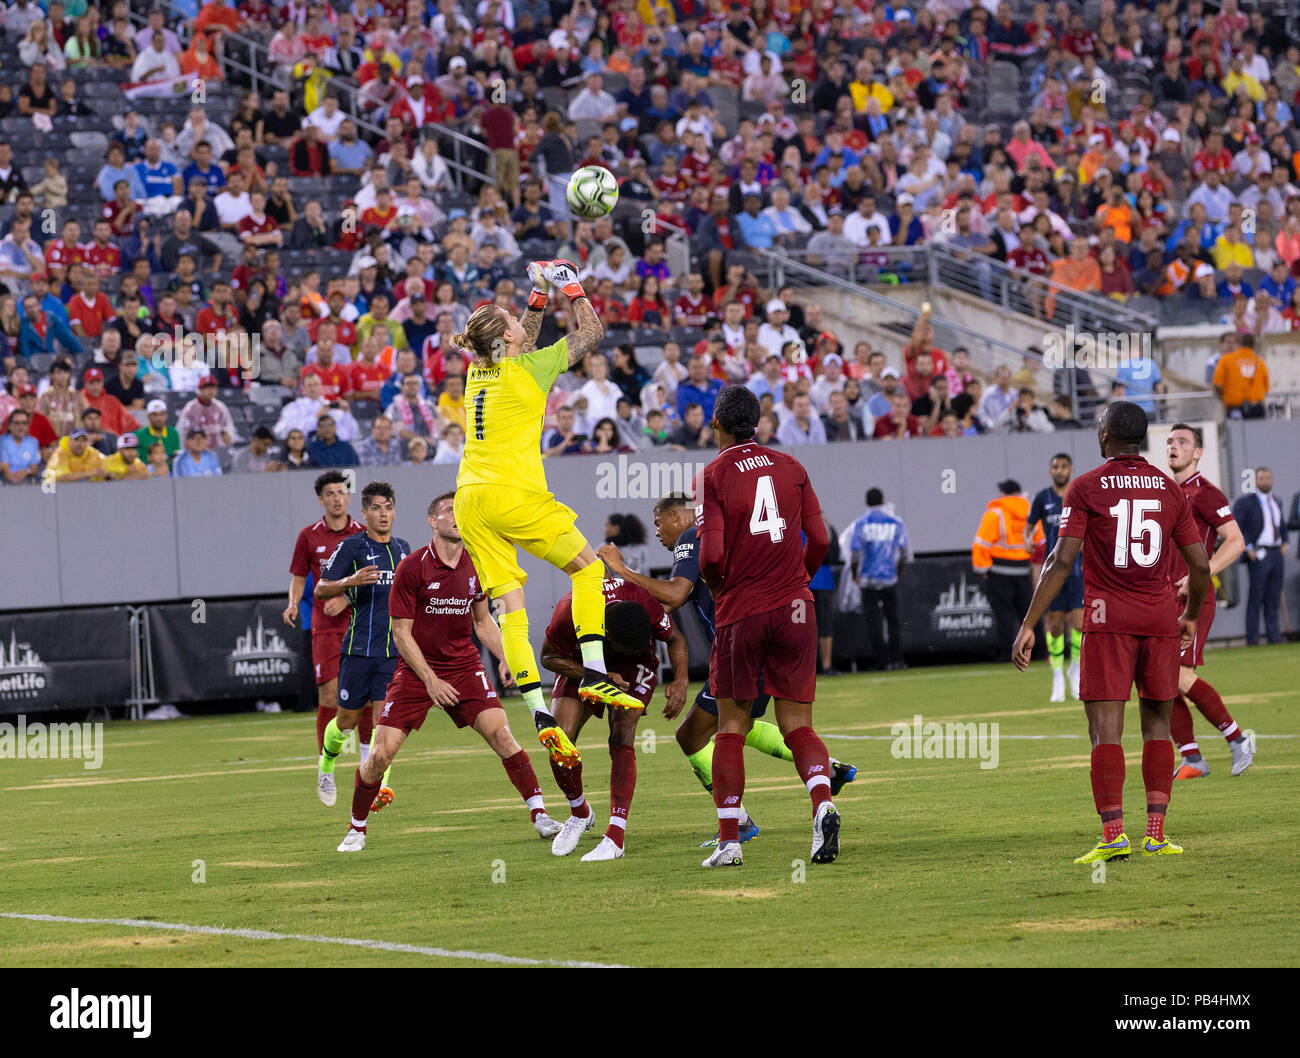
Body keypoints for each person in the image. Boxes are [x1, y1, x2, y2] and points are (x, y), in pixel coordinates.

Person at [449, 257, 645, 773]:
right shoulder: (528, 369)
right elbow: (593, 332)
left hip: (469, 498)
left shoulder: (479, 371)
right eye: (511, 316)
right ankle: (597, 670)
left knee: (509, 606)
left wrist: (537, 296)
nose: (518, 319)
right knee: (589, 569)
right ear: (507, 339)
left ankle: (538, 714)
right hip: (515, 492)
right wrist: (570, 286)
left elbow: (521, 341)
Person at [597, 493, 857, 847]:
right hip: (781, 628)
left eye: (659, 523)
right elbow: (666, 605)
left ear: (678, 516)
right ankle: (826, 771)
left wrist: (621, 570)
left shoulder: (692, 537)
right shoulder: (724, 534)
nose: (658, 532)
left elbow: (673, 595)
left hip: (741, 645)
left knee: (700, 734)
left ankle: (738, 828)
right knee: (747, 724)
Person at [1013, 402, 1211, 862]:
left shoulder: (1084, 487)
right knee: (1158, 725)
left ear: (1104, 434)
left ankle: (1114, 835)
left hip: (1108, 619)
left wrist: (1028, 624)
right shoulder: (1168, 488)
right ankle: (1157, 835)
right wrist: (1191, 616)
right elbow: (1199, 566)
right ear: (1141, 437)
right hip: (1161, 617)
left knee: (1106, 731)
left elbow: (1061, 561)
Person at [337, 490, 564, 851]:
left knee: (502, 736)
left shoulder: (477, 562)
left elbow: (483, 621)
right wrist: (430, 680)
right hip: (416, 672)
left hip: (464, 667)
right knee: (380, 755)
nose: (456, 516)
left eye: (460, 510)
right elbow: (401, 634)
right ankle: (356, 828)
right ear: (432, 521)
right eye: (448, 511)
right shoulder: (411, 567)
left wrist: (506, 656)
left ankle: (540, 815)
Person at [696, 385, 839, 868]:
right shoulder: (792, 466)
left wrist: (718, 588)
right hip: (797, 606)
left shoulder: (713, 474)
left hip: (743, 609)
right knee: (798, 725)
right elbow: (820, 538)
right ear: (757, 422)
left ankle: (730, 841)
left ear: (717, 422)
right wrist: (798, 576)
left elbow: (712, 556)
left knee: (732, 726)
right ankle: (823, 803)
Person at [539, 585, 688, 860]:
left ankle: (615, 837)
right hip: (582, 660)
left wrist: (681, 680)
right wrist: (599, 674)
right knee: (559, 740)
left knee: (622, 733)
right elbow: (547, 657)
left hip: (636, 666)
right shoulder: (569, 612)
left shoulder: (643, 601)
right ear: (607, 634)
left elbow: (675, 638)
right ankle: (579, 811)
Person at [1164, 425, 1254, 780]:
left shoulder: (1206, 493)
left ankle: (1237, 738)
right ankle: (1192, 758)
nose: (1174, 447)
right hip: (1164, 598)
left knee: (1176, 674)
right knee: (1154, 677)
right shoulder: (1167, 491)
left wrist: (1201, 574)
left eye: (1183, 442)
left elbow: (1235, 541)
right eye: (1170, 441)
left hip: (1195, 600)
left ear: (1198, 452)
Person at [314, 481, 411, 808]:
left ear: (394, 512)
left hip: (392, 655)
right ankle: (326, 764)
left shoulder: (403, 550)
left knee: (385, 723)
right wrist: (350, 583)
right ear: (364, 512)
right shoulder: (353, 547)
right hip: (357, 650)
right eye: (376, 508)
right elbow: (322, 588)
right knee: (346, 722)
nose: (383, 514)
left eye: (388, 507)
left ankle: (378, 788)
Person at [285, 472, 363, 756]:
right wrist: (293, 603)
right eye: (330, 494)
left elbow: (377, 577)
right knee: (329, 695)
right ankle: (325, 761)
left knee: (365, 697)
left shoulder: (362, 533)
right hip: (325, 625)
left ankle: (367, 759)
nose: (336, 498)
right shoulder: (309, 535)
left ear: (348, 497)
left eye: (341, 493)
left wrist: (345, 597)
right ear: (321, 500)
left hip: (360, 623)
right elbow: (298, 576)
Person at [1026, 454, 1085, 702]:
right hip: (1053, 572)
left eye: (1063, 467)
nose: (1059, 471)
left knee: (1080, 624)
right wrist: (1027, 542)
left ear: (1070, 469)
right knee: (1055, 625)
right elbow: (1028, 529)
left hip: (1077, 570)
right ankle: (1057, 675)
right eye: (1055, 467)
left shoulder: (1079, 496)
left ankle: (1075, 670)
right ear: (1050, 471)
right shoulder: (1043, 498)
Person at [973, 480, 1042, 662]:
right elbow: (1040, 541)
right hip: (1024, 571)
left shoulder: (996, 513)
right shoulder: (1031, 511)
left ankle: (1007, 654)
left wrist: (982, 569)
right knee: (1029, 614)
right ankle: (1040, 651)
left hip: (999, 571)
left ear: (1003, 493)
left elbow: (981, 543)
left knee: (1004, 615)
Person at [847, 488, 911, 671]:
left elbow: (854, 554)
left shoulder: (861, 523)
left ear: (867, 502)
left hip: (868, 579)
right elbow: (905, 553)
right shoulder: (896, 522)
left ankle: (882, 661)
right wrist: (897, 573)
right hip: (889, 578)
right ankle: (898, 660)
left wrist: (855, 575)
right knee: (893, 620)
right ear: (883, 500)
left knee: (874, 622)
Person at [1233, 467, 1288, 645]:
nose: (1265, 481)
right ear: (1256, 481)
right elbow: (1238, 526)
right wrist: (1247, 547)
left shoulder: (1277, 501)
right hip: (1258, 553)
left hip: (1276, 552)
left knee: (1273, 597)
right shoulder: (1246, 502)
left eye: (1268, 478)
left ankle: (1274, 637)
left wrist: (1284, 542)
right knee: (1256, 597)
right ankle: (1253, 639)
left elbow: (1281, 524)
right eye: (1262, 478)